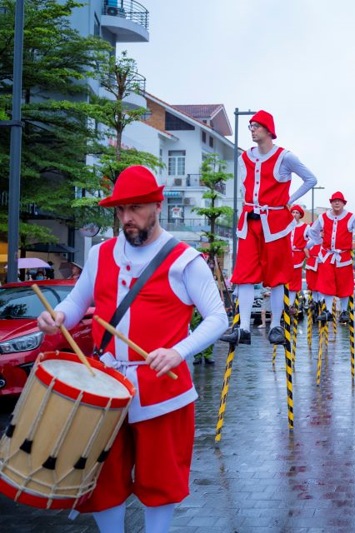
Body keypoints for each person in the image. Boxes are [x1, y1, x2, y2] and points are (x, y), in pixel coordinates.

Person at [36, 165, 228, 532]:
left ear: (158, 205)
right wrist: (57, 316)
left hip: (162, 387)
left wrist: (178, 351)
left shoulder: (185, 260)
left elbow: (218, 318)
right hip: (106, 385)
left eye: (136, 208)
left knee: (161, 480)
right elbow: (77, 303)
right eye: (121, 210)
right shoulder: (100, 254)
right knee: (101, 476)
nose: (127, 218)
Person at [221, 110, 317, 346]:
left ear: (268, 129)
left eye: (256, 126)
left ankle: (275, 325)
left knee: (276, 277)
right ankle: (243, 328)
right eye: (250, 127)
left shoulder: (285, 157)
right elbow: (245, 186)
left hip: (274, 224)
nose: (252, 130)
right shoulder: (245, 157)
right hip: (249, 222)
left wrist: (290, 200)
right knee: (243, 275)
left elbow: (310, 179)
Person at [306, 191, 355, 323]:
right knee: (326, 282)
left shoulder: (351, 217)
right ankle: (328, 311)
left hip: (343, 255)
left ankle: (345, 311)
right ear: (331, 203)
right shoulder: (323, 217)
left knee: (344, 284)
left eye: (339, 201)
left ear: (343, 203)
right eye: (334, 201)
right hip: (327, 255)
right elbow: (312, 231)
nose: (336, 203)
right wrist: (319, 242)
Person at [287, 205, 309, 312]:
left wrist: (304, 249)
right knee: (283, 280)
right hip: (285, 255)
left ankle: (290, 304)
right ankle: (284, 303)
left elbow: (312, 239)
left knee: (294, 281)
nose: (294, 214)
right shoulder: (286, 225)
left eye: (297, 213)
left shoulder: (305, 227)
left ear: (300, 215)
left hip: (297, 256)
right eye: (293, 212)